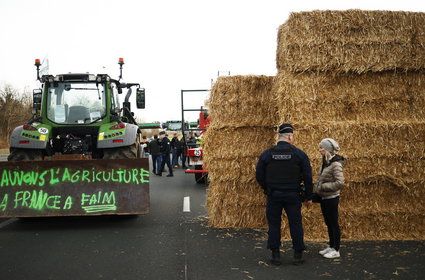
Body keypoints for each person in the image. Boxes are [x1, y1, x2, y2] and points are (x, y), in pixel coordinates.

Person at [256, 123, 313, 266]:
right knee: (295, 224)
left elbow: (259, 175)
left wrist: (267, 188)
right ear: (289, 136)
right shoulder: (299, 154)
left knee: (274, 224)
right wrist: (308, 196)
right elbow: (307, 177)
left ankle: (275, 255)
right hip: (293, 195)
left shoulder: (267, 154)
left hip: (274, 195)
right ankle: (298, 255)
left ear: (278, 137)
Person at [315, 138, 345, 259]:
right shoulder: (326, 162)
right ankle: (331, 246)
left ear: (328, 149)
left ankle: (336, 249)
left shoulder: (336, 164)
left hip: (332, 198)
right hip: (325, 197)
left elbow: (340, 182)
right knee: (328, 223)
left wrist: (323, 186)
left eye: (322, 148)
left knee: (333, 223)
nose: (320, 150)